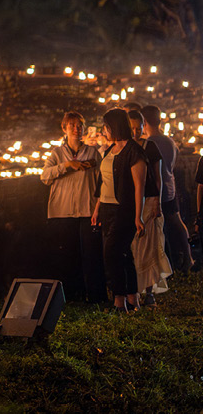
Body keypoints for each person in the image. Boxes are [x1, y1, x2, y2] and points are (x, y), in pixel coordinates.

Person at [40, 111, 106, 303]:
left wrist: (98, 206)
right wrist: (68, 165)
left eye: (80, 125)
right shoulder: (57, 154)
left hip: (88, 210)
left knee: (92, 256)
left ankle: (96, 296)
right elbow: (44, 177)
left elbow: (102, 180)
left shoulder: (92, 153)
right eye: (72, 125)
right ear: (64, 128)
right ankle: (71, 297)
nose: (76, 129)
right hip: (62, 211)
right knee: (67, 257)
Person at [91, 108, 147, 313]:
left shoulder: (134, 151)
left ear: (113, 126)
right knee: (124, 254)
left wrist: (138, 216)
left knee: (112, 253)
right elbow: (103, 182)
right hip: (106, 208)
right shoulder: (109, 150)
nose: (104, 130)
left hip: (123, 209)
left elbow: (139, 186)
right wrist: (97, 208)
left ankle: (119, 300)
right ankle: (133, 298)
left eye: (106, 126)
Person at [141, 105, 196, 272]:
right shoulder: (169, 142)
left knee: (158, 230)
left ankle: (163, 264)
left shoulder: (149, 143)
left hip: (155, 192)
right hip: (169, 188)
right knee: (177, 223)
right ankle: (188, 258)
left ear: (144, 122)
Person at [128, 109, 171, 306]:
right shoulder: (123, 148)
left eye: (139, 128)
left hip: (150, 199)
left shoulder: (150, 147)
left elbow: (158, 177)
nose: (136, 132)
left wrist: (158, 203)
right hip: (130, 202)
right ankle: (133, 289)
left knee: (149, 247)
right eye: (132, 128)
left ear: (144, 127)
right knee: (134, 247)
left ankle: (148, 291)